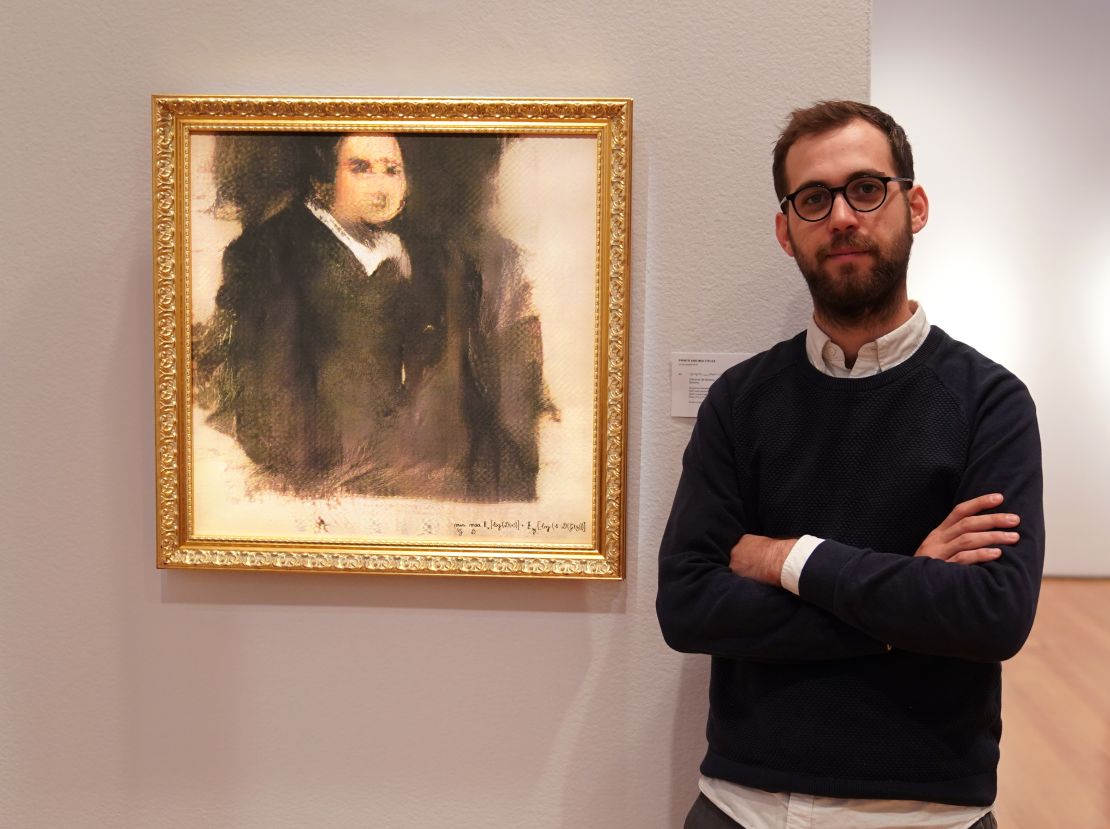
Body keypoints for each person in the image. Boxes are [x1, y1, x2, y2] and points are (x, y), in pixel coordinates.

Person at [656, 101, 1043, 829]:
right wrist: (907, 591)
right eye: (814, 198)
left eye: (867, 188)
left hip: (930, 811)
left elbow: (993, 615)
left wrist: (787, 556)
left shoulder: (991, 402)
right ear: (785, 229)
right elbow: (686, 605)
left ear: (914, 203)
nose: (841, 215)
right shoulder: (740, 402)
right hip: (746, 805)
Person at [195, 132, 551, 500]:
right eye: (361, 169)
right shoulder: (271, 251)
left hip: (423, 474)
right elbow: (269, 396)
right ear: (322, 180)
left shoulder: (432, 258)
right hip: (326, 480)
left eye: (392, 170)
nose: (381, 187)